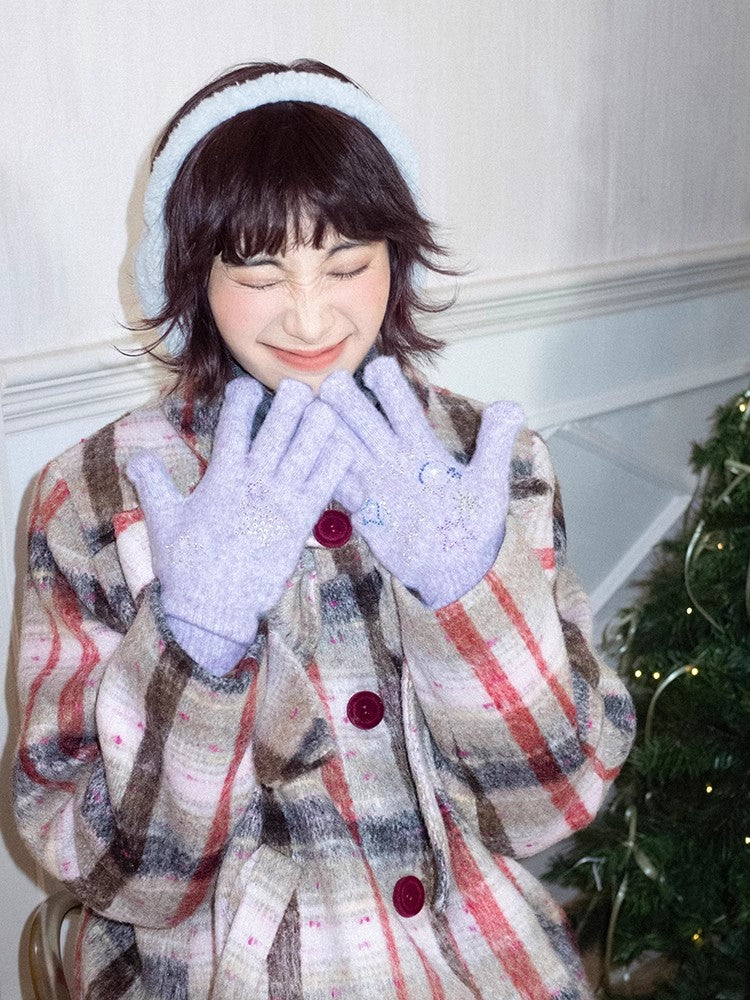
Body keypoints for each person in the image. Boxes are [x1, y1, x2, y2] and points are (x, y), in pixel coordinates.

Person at [14, 59, 635, 999]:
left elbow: (556, 803)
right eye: (259, 272)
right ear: (192, 275)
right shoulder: (95, 495)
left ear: (397, 259)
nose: (310, 317)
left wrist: (468, 595)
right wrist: (196, 642)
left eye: (346, 265)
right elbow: (114, 874)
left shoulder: (478, 467)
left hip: (482, 961)